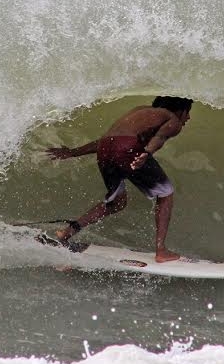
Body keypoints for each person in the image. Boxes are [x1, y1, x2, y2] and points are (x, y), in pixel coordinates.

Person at [45, 96, 193, 262]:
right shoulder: (173, 119)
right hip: (127, 149)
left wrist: (73, 152)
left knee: (117, 203)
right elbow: (159, 138)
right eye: (188, 113)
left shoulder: (138, 111)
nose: (188, 118)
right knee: (166, 194)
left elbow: (108, 141)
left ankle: (66, 233)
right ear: (181, 110)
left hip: (105, 150)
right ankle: (161, 251)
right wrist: (147, 153)